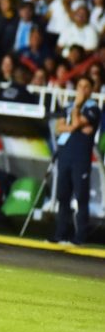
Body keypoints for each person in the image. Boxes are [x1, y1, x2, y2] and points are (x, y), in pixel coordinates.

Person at [51, 76, 101, 245]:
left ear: (91, 89)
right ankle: (61, 234)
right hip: (65, 155)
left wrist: (77, 108)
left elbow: (77, 123)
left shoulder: (93, 109)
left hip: (80, 157)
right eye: (79, 86)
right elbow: (60, 127)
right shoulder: (67, 106)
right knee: (62, 196)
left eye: (86, 86)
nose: (82, 89)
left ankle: (80, 237)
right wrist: (74, 125)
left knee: (81, 196)